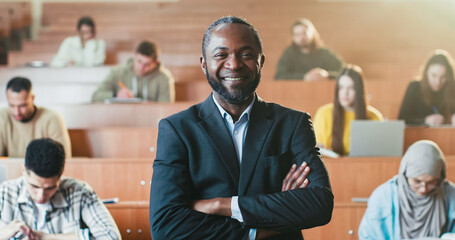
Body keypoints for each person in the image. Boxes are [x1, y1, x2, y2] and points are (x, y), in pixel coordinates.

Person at [149, 16, 333, 240]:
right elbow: (166, 226)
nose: (234, 64)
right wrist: (260, 229)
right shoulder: (177, 130)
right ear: (204, 63)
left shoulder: (294, 124)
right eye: (221, 55)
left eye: (246, 54)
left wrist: (222, 205)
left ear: (261, 61)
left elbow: (319, 204)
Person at [0, 138, 121, 240]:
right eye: (34, 186)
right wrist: (3, 234)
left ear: (61, 175)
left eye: (50, 188)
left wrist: (49, 237)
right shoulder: (5, 192)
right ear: (23, 170)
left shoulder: (79, 192)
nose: (41, 196)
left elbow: (111, 237)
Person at [358, 140, 455, 239]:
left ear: (440, 178)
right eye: (417, 181)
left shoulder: (451, 195)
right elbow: (369, 236)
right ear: (405, 175)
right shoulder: (382, 197)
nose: (423, 189)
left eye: (431, 182)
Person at [313, 65, 383, 156]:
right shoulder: (324, 113)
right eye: (341, 87)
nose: (345, 93)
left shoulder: (374, 116)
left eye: (351, 88)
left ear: (358, 91)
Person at [0, 77, 71, 158]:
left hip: (44, 171)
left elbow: (63, 159)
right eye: (12, 105)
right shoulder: (2, 117)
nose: (17, 112)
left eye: (22, 105)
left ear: (32, 98)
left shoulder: (52, 118)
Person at [91, 40, 175, 103]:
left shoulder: (164, 78)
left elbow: (166, 106)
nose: (141, 67)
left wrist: (148, 105)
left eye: (147, 64)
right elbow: (95, 96)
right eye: (139, 61)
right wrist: (116, 95)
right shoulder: (117, 72)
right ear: (134, 55)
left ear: (155, 63)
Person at [398, 49, 455, 126]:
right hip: (418, 136)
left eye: (443, 77)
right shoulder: (414, 87)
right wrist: (425, 120)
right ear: (426, 73)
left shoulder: (452, 89)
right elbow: (402, 119)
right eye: (434, 75)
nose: (438, 82)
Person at [275, 18, 344, 81]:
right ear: (293, 37)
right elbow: (279, 76)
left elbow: (344, 72)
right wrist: (304, 77)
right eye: (297, 34)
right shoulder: (288, 54)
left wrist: (327, 75)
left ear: (313, 34)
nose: (302, 37)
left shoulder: (324, 53)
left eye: (304, 33)